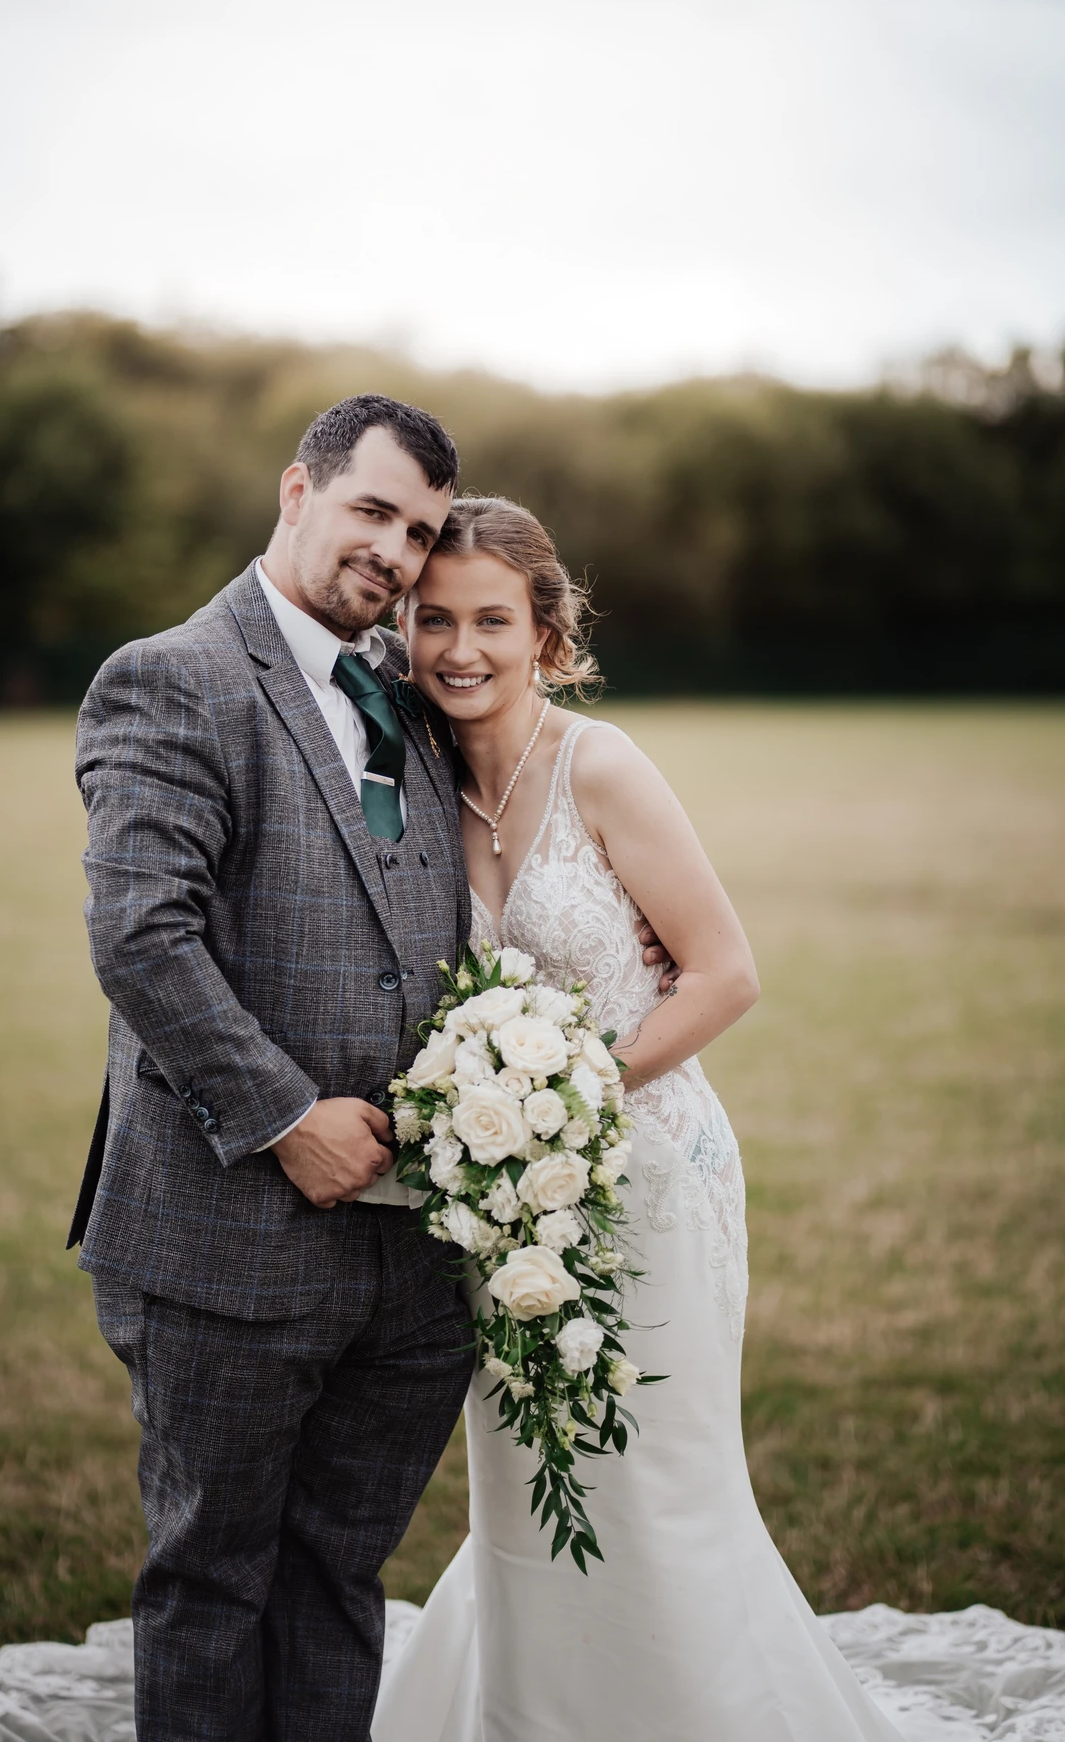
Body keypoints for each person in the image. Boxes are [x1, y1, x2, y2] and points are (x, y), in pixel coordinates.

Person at [69, 395, 677, 1742]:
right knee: (215, 1581)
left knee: (339, 1577)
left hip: (412, 1257)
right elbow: (140, 935)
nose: (397, 553)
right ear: (298, 490)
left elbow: (511, 834)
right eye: (373, 512)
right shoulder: (174, 678)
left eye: (416, 530)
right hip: (227, 1239)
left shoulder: (403, 684)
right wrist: (287, 1118)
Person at [372, 496, 903, 1742]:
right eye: (433, 619)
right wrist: (497, 1129)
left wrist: (564, 1099)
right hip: (502, 1200)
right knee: (521, 1480)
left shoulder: (599, 766)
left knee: (651, 1482)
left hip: (651, 1173)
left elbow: (725, 973)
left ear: (547, 635)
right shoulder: (411, 788)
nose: (461, 649)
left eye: (493, 620)